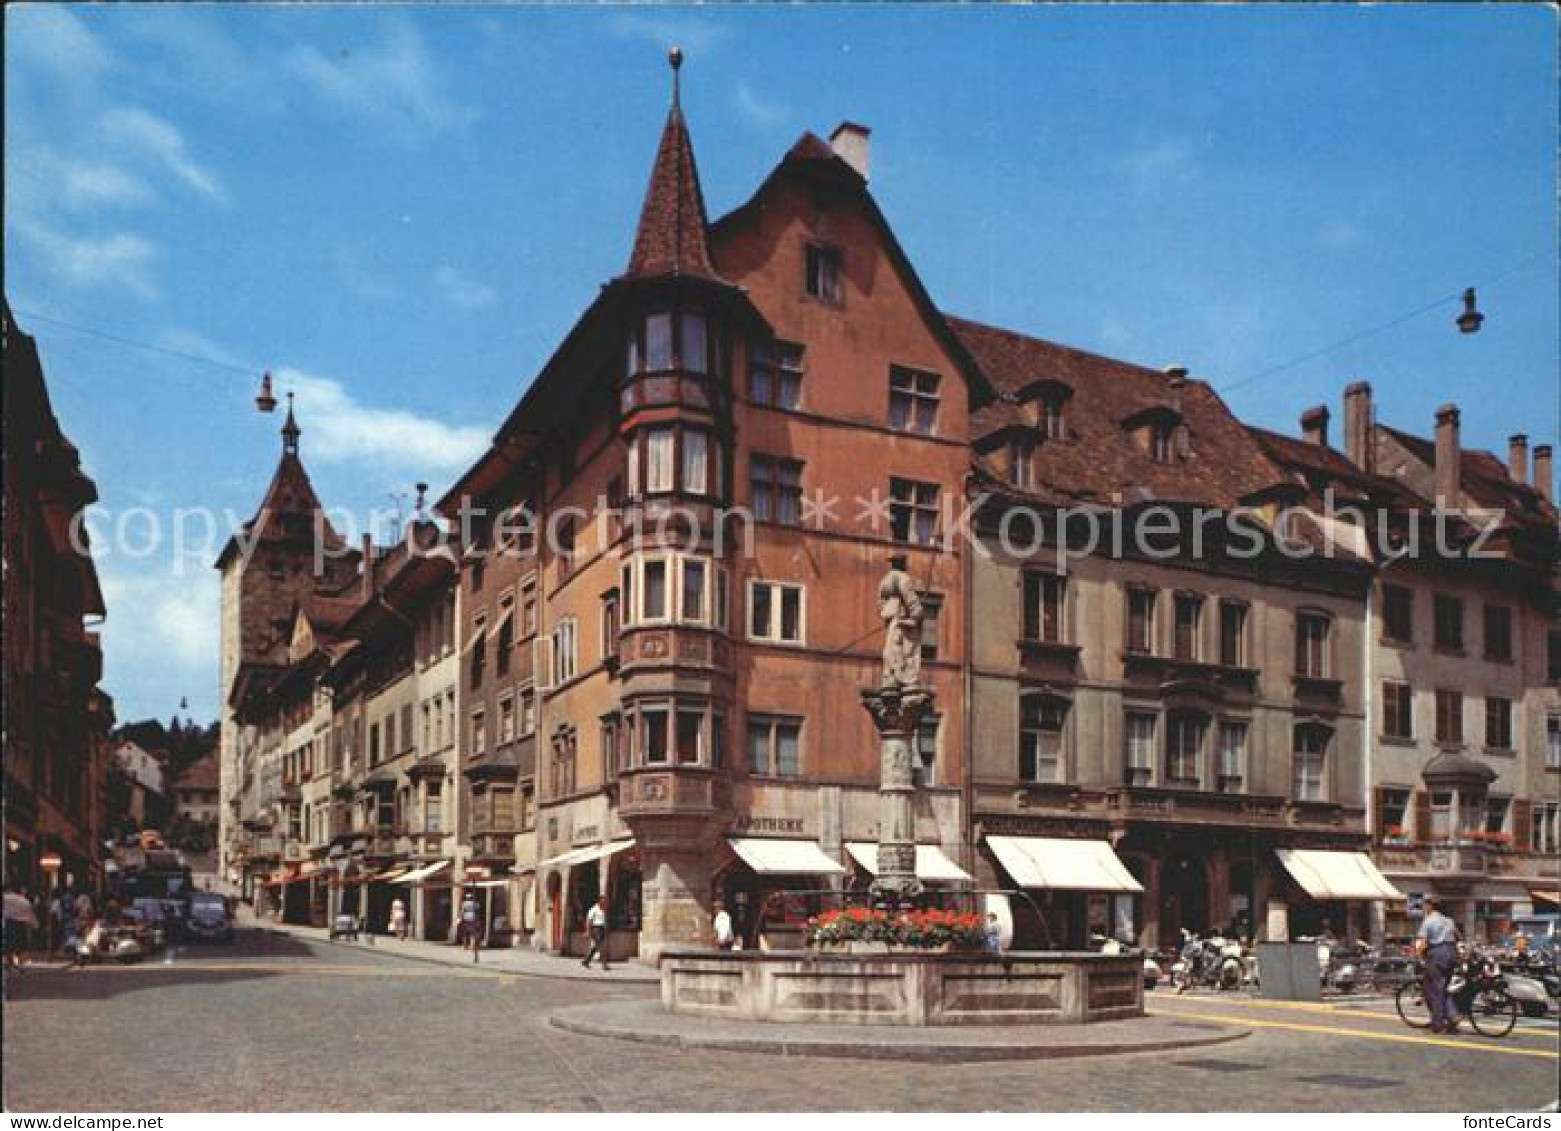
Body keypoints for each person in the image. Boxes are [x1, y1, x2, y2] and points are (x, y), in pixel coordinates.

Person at [1416, 896, 1461, 1034]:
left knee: (1435, 990)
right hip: (1451, 953)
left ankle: (1438, 1024)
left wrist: (1419, 956)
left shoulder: (1429, 920)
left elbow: (1422, 943)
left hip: (1437, 954)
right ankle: (1453, 1016)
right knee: (1443, 987)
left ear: (1429, 906)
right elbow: (1458, 936)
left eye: (1425, 905)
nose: (1424, 908)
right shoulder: (1449, 920)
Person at [3, 884, 38, 972]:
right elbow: (30, 914)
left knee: (9, 944)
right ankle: (20, 964)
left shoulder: (5, 897)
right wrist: (34, 924)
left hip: (9, 922)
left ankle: (9, 963)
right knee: (21, 945)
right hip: (21, 924)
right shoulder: (24, 900)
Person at [581, 895, 610, 971]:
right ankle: (604, 965)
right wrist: (588, 932)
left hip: (602, 929)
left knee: (595, 947)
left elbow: (603, 921)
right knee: (602, 947)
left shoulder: (602, 910)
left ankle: (586, 961)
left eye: (605, 900)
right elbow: (589, 921)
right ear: (599, 901)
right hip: (596, 929)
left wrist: (605, 928)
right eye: (603, 900)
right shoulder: (593, 910)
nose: (605, 902)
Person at [459, 891, 481, 963]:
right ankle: (472, 946)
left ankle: (465, 946)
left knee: (465, 933)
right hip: (474, 919)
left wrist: (460, 918)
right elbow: (478, 911)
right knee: (473, 933)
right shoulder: (475, 903)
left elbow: (462, 912)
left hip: (466, 919)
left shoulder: (464, 904)